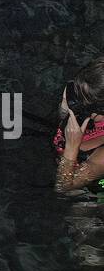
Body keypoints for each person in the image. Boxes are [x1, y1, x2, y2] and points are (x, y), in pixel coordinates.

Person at [54, 59, 104, 194]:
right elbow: (60, 116)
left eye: (84, 100)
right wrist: (65, 107)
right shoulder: (80, 90)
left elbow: (63, 187)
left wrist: (71, 147)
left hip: (92, 189)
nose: (77, 103)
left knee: (79, 209)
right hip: (59, 153)